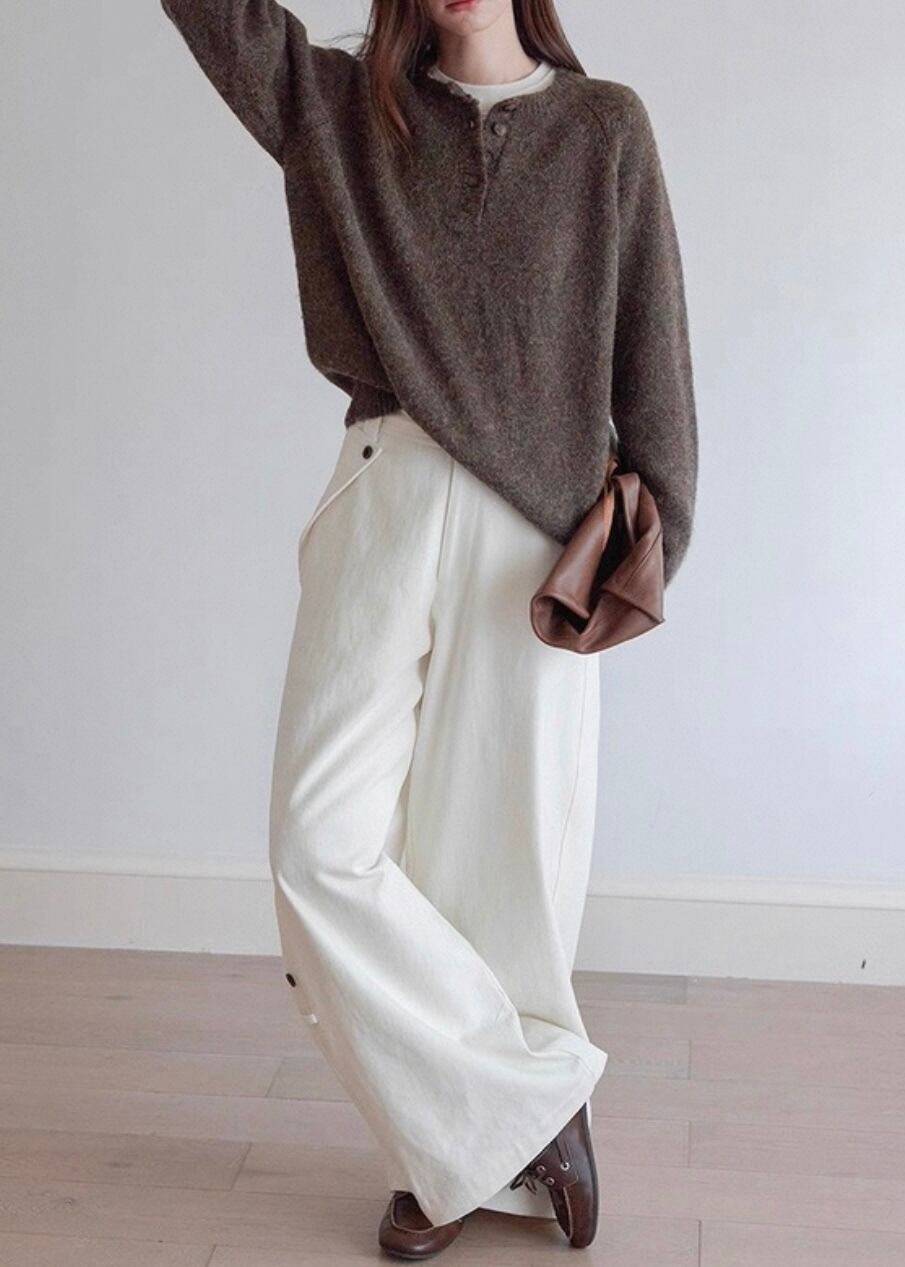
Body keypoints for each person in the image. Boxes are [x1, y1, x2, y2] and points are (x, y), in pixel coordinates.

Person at [159, 0, 698, 1256]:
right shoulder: (342, 111)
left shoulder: (602, 128)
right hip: (387, 490)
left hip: (539, 533)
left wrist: (652, 537)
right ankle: (527, 1106)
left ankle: (447, 1156)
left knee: (499, 867)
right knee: (320, 846)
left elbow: (651, 344)